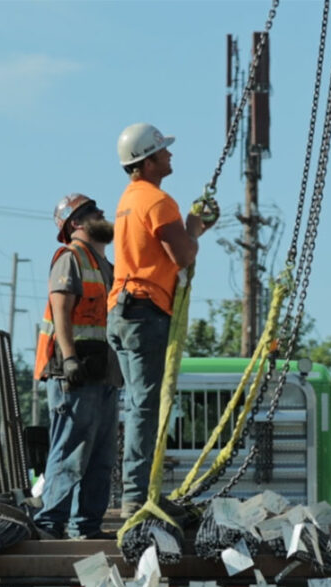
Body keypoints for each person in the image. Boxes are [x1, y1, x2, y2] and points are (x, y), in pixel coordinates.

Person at [107, 122, 219, 518]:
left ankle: (140, 492)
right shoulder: (157, 201)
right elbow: (183, 256)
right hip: (144, 312)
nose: (170, 155)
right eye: (164, 151)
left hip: (122, 311)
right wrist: (193, 226)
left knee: (140, 404)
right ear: (147, 160)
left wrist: (192, 228)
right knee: (145, 407)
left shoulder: (129, 199)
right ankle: (137, 497)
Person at [33, 192, 121, 539]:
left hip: (103, 374)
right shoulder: (70, 258)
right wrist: (69, 359)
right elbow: (61, 309)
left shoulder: (104, 264)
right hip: (77, 373)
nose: (101, 213)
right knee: (70, 451)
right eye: (91, 211)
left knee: (101, 457)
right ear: (76, 224)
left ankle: (86, 526)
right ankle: (50, 525)